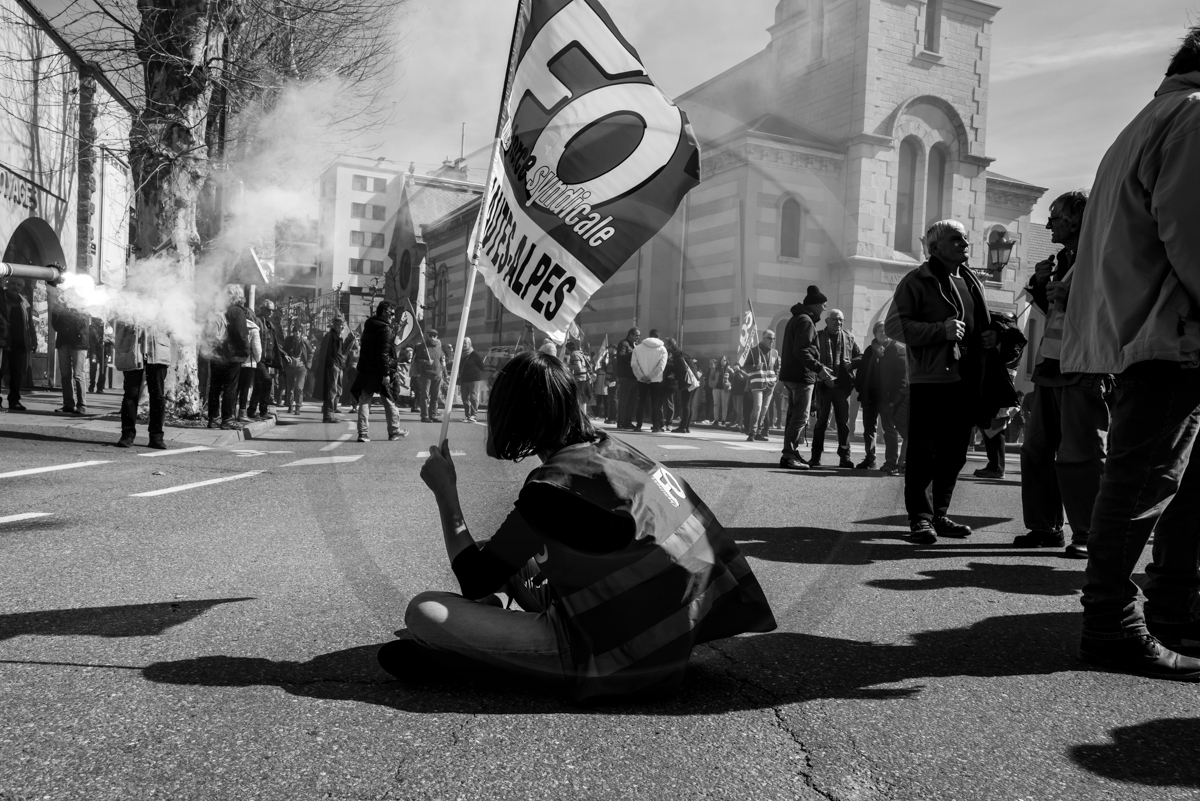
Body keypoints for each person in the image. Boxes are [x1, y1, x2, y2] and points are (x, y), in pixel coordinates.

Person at [380, 351, 777, 698]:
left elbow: (474, 577)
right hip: (676, 631)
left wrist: (445, 495)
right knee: (492, 550)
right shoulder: (613, 450)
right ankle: (486, 636)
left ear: (513, 416)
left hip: (614, 654)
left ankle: (480, 656)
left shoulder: (552, 490)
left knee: (423, 612)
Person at [1058, 29, 1200, 681]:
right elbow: (1193, 233)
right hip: (1172, 331)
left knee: (1168, 478)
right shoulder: (1194, 114)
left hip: (1153, 328)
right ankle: (1113, 620)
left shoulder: (1152, 117)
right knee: (1146, 479)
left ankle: (1169, 604)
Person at [886, 220, 998, 544]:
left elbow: (977, 327)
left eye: (965, 237)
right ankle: (919, 518)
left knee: (955, 452)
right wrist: (940, 331)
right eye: (955, 239)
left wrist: (990, 336)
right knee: (923, 452)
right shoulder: (916, 281)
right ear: (934, 247)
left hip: (967, 379)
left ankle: (939, 514)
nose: (964, 242)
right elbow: (894, 326)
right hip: (931, 378)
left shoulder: (972, 280)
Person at [1015, 191, 1107, 559]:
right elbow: (1049, 311)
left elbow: (1112, 304)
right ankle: (1045, 527)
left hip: (1084, 364)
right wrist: (1041, 287)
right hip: (1051, 366)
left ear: (1078, 217)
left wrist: (1073, 297)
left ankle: (1089, 533)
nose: (1049, 223)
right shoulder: (1063, 259)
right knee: (1036, 449)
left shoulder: (1101, 252)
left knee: (1080, 452)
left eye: (1055, 216)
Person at [778, 287, 830, 470]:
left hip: (793, 375)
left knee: (794, 416)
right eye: (823, 305)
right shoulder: (806, 321)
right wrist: (819, 368)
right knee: (800, 417)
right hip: (801, 376)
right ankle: (789, 455)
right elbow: (802, 350)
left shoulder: (798, 318)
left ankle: (792, 452)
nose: (825, 309)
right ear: (815, 305)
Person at [350, 302, 409, 443]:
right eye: (392, 313)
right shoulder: (386, 330)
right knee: (389, 400)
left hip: (366, 370)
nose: (393, 317)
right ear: (385, 312)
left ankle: (363, 433)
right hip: (380, 371)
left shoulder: (369, 327)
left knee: (365, 401)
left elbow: (367, 350)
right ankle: (394, 431)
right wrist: (385, 374)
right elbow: (383, 354)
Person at [810, 310, 861, 467]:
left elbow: (860, 356)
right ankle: (816, 456)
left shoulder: (849, 338)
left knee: (843, 424)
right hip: (823, 386)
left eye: (841, 320)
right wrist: (823, 377)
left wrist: (851, 363)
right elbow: (810, 358)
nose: (838, 323)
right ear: (827, 321)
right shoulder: (817, 336)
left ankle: (845, 457)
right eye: (834, 320)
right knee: (820, 423)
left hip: (841, 387)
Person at [113, 321, 172, 449]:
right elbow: (118, 322)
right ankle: (127, 435)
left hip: (158, 351)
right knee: (130, 395)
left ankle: (156, 437)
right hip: (133, 350)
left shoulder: (165, 301)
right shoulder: (129, 301)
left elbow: (173, 324)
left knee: (158, 396)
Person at [855, 321, 903, 472]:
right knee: (869, 429)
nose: (883, 333)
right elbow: (862, 371)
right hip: (870, 396)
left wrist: (895, 398)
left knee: (889, 430)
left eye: (886, 330)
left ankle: (891, 461)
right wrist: (860, 388)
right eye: (879, 331)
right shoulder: (870, 350)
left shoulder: (897, 349)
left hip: (888, 398)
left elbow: (902, 377)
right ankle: (870, 459)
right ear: (874, 333)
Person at [204, 285, 250, 430]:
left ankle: (213, 418)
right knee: (230, 387)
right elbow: (241, 334)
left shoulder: (218, 310)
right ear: (238, 296)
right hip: (232, 355)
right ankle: (227, 419)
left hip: (215, 354)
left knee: (215, 387)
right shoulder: (237, 311)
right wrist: (244, 351)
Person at [1, 278, 36, 411]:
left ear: (22, 287)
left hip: (19, 343)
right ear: (8, 284)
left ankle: (14, 401)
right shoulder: (1, 299)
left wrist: (33, 339)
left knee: (16, 374)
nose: (15, 287)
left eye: (19, 285)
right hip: (3, 341)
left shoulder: (24, 303)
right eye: (13, 284)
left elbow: (29, 323)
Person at [313, 316, 354, 424]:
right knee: (331, 391)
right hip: (333, 367)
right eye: (340, 325)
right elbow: (324, 353)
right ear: (335, 325)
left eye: (342, 325)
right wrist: (332, 364)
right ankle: (328, 415)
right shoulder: (330, 336)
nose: (341, 327)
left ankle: (332, 411)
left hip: (339, 366)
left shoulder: (338, 337)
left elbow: (341, 352)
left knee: (338, 391)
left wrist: (349, 342)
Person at [50, 302, 90, 415]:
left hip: (78, 343)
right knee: (65, 375)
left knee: (78, 375)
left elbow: (83, 323)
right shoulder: (60, 307)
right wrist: (57, 311)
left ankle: (81, 405)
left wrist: (74, 310)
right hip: (63, 342)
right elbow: (56, 326)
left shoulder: (82, 304)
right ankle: (68, 404)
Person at [741, 330, 780, 442]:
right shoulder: (753, 351)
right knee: (757, 407)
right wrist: (755, 367)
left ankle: (759, 431)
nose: (772, 341)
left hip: (770, 384)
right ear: (763, 338)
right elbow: (746, 366)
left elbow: (777, 367)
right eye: (769, 338)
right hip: (757, 383)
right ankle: (752, 432)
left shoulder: (775, 352)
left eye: (773, 338)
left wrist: (776, 378)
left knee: (764, 409)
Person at [249, 299, 283, 421]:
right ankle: (263, 410)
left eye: (272, 310)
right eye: (269, 310)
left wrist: (283, 354)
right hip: (258, 358)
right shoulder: (257, 321)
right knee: (267, 381)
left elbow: (275, 343)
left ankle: (252, 411)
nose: (271, 312)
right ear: (262, 309)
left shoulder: (269, 324)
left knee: (259, 385)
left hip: (266, 360)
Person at [631, 329, 668, 432]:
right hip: (656, 380)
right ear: (658, 336)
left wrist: (642, 376)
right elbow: (661, 367)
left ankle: (638, 425)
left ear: (649, 335)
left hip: (641, 380)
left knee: (641, 402)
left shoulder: (637, 348)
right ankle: (656, 425)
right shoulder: (662, 349)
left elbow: (634, 364)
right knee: (655, 403)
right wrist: (651, 377)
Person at [412, 329, 445, 423]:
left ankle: (433, 415)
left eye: (434, 335)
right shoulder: (422, 346)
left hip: (437, 374)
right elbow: (417, 359)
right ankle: (424, 416)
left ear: (437, 336)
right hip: (426, 374)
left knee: (435, 396)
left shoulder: (439, 346)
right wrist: (426, 362)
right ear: (427, 336)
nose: (432, 337)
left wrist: (444, 372)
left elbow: (442, 359)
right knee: (425, 396)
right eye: (430, 335)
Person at [282, 322, 311, 415]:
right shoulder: (288, 341)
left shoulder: (305, 342)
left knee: (298, 387)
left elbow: (311, 353)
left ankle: (298, 407)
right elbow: (283, 351)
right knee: (290, 388)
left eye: (299, 331)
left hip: (301, 368)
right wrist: (285, 358)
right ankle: (290, 406)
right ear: (293, 332)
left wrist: (308, 366)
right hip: (290, 367)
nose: (297, 333)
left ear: (302, 333)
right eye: (295, 331)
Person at [455, 336, 486, 423]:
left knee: (473, 397)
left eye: (465, 343)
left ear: (469, 344)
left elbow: (482, 367)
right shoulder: (460, 355)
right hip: (464, 380)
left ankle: (473, 415)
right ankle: (467, 415)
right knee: (464, 398)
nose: (463, 345)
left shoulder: (474, 354)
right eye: (463, 343)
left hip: (474, 379)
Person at [614, 328, 640, 429]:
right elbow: (620, 357)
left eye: (639, 336)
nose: (638, 338)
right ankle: (621, 421)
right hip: (626, 376)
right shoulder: (624, 343)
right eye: (636, 335)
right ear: (630, 334)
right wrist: (633, 353)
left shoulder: (636, 346)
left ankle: (628, 421)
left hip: (635, 377)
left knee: (632, 401)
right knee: (624, 400)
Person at [565, 339, 593, 417]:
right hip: (586, 379)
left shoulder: (574, 354)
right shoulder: (581, 353)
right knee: (583, 400)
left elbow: (578, 367)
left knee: (580, 400)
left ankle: (582, 418)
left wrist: (567, 365)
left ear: (568, 348)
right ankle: (583, 417)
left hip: (580, 379)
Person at [87, 316, 110, 394]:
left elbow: (112, 339)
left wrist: (107, 339)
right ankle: (92, 385)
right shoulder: (91, 328)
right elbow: (90, 341)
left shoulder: (107, 327)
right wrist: (92, 353)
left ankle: (100, 387)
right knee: (93, 369)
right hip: (94, 351)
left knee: (103, 370)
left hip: (104, 351)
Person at [709, 356, 730, 427]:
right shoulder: (716, 368)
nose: (723, 361)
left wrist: (730, 385)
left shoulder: (729, 369)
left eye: (724, 360)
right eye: (722, 360)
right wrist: (712, 384)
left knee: (724, 405)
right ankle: (716, 419)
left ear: (727, 361)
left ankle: (724, 420)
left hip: (725, 389)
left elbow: (733, 377)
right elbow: (711, 376)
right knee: (716, 404)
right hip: (716, 388)